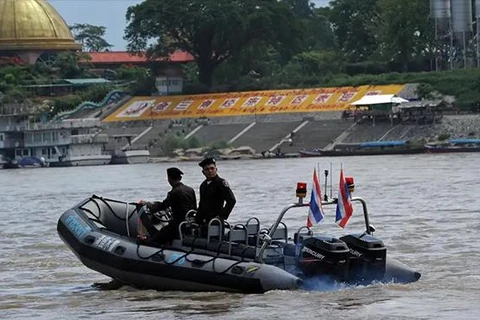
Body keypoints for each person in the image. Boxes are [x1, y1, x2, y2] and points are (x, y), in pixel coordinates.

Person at [140, 167, 197, 244]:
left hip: (179, 223)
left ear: (169, 179)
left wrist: (149, 205)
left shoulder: (173, 193)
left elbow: (162, 206)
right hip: (191, 222)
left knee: (159, 236)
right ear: (180, 178)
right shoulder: (190, 189)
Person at [196, 157, 236, 231]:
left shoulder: (221, 183)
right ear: (203, 172)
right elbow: (202, 203)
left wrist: (221, 216)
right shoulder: (203, 185)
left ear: (216, 169)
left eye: (212, 168)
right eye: (207, 169)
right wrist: (197, 218)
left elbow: (231, 200)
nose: (210, 171)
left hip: (216, 221)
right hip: (204, 221)